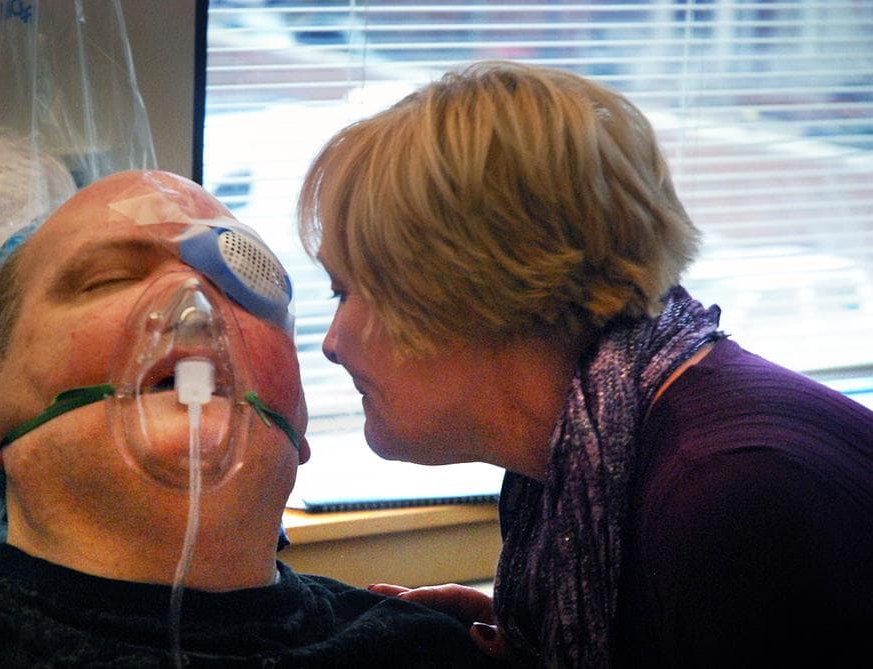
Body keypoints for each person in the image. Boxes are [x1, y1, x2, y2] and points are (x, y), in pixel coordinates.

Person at [297, 61, 873, 667]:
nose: (333, 343)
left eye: (347, 292)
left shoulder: (725, 497)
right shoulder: (600, 455)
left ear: (469, 290)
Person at [0, 170, 502, 668]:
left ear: (302, 417)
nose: (192, 305)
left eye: (241, 281)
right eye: (108, 278)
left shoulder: (436, 647)